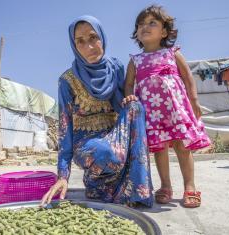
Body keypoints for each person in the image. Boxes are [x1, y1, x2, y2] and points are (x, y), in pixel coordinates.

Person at [40, 15, 153, 207]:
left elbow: (121, 104)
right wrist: (63, 176)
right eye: (80, 42)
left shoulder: (116, 67)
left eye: (93, 38)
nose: (89, 47)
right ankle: (94, 183)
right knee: (106, 152)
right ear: (74, 46)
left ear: (102, 37)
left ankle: (138, 192)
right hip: (87, 144)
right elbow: (64, 128)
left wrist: (128, 100)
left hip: (114, 134)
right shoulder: (67, 80)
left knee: (136, 107)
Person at [123, 5, 211, 208]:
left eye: (152, 22)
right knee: (159, 149)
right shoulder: (135, 61)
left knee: (182, 145)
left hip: (175, 109)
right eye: (141, 24)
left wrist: (194, 100)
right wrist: (129, 98)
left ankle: (190, 186)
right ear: (137, 32)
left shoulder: (173, 53)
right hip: (152, 112)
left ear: (164, 31)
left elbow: (188, 77)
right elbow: (128, 84)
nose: (145, 26)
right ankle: (165, 186)